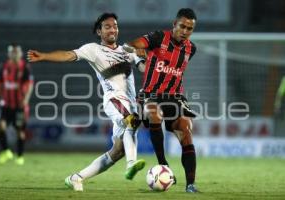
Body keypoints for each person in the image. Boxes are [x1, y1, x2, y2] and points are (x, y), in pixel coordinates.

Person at [27, 13, 146, 192]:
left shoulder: (127, 50)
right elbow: (68, 55)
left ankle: (76, 178)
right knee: (132, 121)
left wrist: (148, 59)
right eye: (107, 26)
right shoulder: (93, 49)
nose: (112, 29)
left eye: (115, 26)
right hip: (113, 99)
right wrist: (44, 56)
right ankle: (131, 165)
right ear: (99, 31)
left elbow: (145, 68)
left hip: (129, 102)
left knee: (117, 151)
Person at [123, 8, 199, 193]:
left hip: (174, 97)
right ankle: (163, 165)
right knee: (154, 113)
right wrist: (136, 47)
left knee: (186, 129)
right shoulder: (158, 37)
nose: (185, 31)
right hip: (150, 94)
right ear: (175, 24)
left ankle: (190, 185)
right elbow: (131, 44)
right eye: (182, 26)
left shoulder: (191, 48)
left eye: (189, 28)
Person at [0, 44, 34, 165]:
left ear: (20, 53)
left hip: (19, 105)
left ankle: (20, 156)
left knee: (20, 131)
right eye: (12, 52)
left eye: (16, 52)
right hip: (5, 103)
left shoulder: (25, 67)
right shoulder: (4, 67)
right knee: (0, 125)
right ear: (8, 53)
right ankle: (6, 152)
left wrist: (25, 99)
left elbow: (30, 85)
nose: (14, 54)